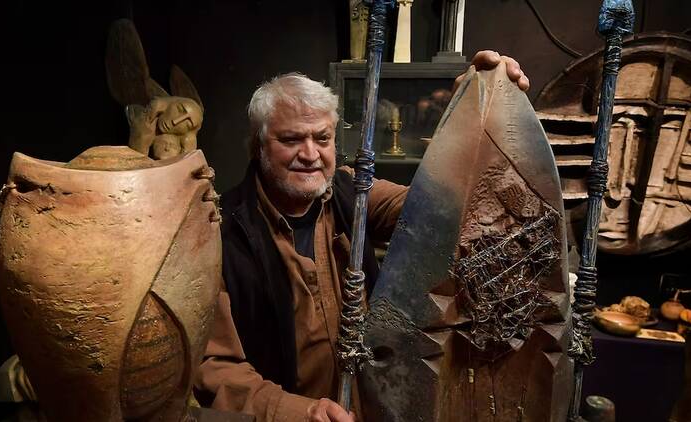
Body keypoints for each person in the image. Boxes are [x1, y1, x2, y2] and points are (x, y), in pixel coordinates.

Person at [194, 51, 530, 422]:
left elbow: (444, 210)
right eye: (291, 140)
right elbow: (215, 367)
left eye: (322, 138)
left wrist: (471, 112)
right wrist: (299, 412)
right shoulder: (221, 234)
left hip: (371, 406)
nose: (310, 154)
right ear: (258, 148)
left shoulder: (351, 193)